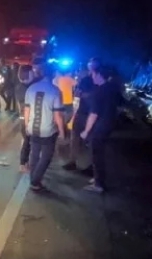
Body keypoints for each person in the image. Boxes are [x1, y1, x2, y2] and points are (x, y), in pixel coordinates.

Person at [79, 65, 123, 193]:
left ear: (98, 75)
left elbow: (93, 114)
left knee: (96, 154)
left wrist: (86, 131)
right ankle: (98, 178)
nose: (91, 76)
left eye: (93, 74)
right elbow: (121, 106)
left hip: (99, 126)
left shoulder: (99, 91)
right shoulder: (112, 88)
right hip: (108, 125)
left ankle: (98, 184)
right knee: (100, 152)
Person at [22, 62, 65, 191]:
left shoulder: (31, 88)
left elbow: (27, 111)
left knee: (34, 154)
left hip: (33, 128)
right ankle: (35, 181)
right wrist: (62, 132)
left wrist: (26, 126)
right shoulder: (55, 91)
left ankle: (33, 180)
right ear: (52, 75)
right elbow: (58, 115)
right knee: (46, 157)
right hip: (48, 130)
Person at [63, 59, 98, 172]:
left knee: (87, 141)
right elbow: (78, 96)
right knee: (77, 138)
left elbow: (78, 95)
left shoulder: (93, 80)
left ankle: (89, 165)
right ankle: (76, 162)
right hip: (84, 113)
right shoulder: (89, 80)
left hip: (89, 114)